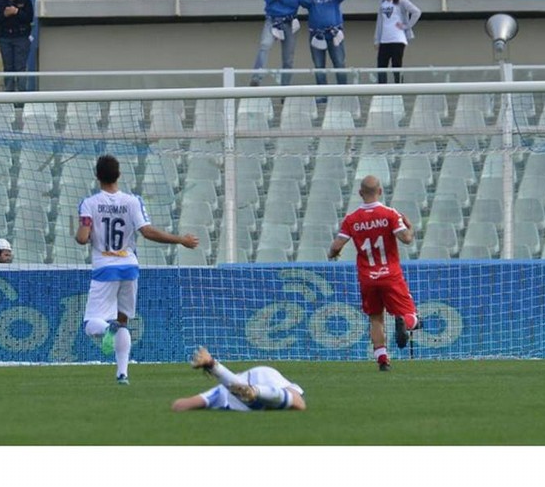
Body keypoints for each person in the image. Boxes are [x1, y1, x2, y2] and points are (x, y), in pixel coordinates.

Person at [76, 155, 199, 385]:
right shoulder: (133, 201)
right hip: (130, 267)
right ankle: (122, 374)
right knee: (123, 322)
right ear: (119, 174)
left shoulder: (89, 203)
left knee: (92, 325)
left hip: (105, 268)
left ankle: (107, 330)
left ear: (97, 176)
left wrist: (84, 232)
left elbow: (82, 238)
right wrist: (180, 239)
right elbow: (148, 231)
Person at [328, 175, 420, 371]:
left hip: (368, 278)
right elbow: (406, 239)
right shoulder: (390, 214)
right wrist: (411, 229)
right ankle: (405, 322)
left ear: (360, 193)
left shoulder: (351, 219)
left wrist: (332, 254)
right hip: (390, 275)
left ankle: (383, 361)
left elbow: (336, 246)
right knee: (410, 315)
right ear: (380, 191)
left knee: (375, 317)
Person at [171, 346, 306, 412]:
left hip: (257, 381)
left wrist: (213, 366)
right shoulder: (220, 393)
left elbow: (179, 405)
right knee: (295, 403)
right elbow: (180, 405)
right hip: (245, 391)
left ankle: (255, 391)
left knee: (297, 403)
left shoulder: (220, 392)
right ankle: (254, 391)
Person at [249, 0, 302, 87]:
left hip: (289, 21)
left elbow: (295, 2)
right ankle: (256, 78)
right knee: (265, 45)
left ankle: (285, 89)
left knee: (288, 59)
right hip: (272, 20)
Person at [298, 0, 348, 93]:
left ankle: (344, 94)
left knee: (339, 64)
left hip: (334, 34)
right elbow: (303, 1)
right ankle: (322, 95)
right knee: (319, 66)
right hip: (317, 35)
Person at [374, 0, 422, 84]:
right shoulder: (383, 2)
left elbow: (416, 12)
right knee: (381, 67)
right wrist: (377, 40)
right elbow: (379, 22)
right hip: (384, 39)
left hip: (397, 39)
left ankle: (399, 89)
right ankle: (382, 92)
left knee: (396, 65)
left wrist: (406, 26)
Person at [0, 0, 33, 93]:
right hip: (5, 38)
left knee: (20, 68)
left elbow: (29, 18)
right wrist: (4, 15)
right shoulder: (0, 3)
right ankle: (9, 95)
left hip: (21, 38)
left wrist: (16, 12)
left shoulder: (25, 1)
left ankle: (21, 98)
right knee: (8, 68)